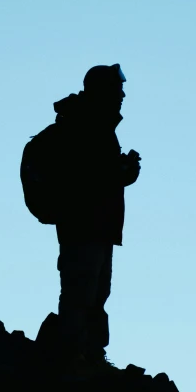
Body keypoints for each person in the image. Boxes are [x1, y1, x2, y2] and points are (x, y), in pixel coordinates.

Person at [53, 64, 141, 366]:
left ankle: (89, 355)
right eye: (117, 89)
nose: (123, 95)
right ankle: (72, 359)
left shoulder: (97, 126)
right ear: (103, 90)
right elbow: (86, 177)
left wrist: (123, 173)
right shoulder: (84, 125)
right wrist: (120, 172)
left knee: (96, 294)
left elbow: (99, 176)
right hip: (84, 225)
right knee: (82, 293)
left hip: (98, 226)